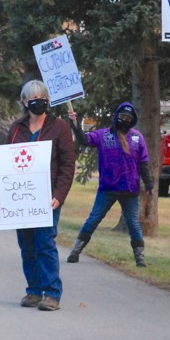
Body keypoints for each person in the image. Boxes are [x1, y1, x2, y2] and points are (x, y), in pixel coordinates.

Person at [0, 80, 76, 311]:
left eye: (42, 97)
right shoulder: (16, 128)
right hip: (20, 198)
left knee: (45, 243)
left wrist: (59, 195)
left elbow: (68, 165)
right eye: (33, 98)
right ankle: (33, 290)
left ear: (48, 100)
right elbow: (5, 165)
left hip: (47, 198)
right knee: (27, 245)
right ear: (24, 102)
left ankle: (52, 293)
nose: (38, 101)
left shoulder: (59, 127)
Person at [66, 102, 154, 267]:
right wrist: (74, 123)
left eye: (128, 118)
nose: (124, 120)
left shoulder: (137, 138)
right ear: (116, 117)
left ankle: (140, 258)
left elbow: (143, 164)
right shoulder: (103, 135)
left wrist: (149, 184)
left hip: (129, 189)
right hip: (107, 188)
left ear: (132, 120)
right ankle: (75, 251)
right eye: (122, 116)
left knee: (134, 224)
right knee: (93, 219)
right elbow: (84, 140)